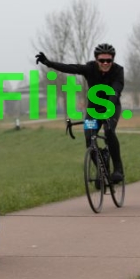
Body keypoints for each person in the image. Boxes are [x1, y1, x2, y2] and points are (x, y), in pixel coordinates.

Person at [35, 43, 126, 182]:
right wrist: (48, 63)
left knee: (109, 131)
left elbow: (115, 90)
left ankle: (118, 169)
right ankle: (102, 171)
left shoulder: (118, 70)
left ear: (113, 60)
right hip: (93, 110)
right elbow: (70, 68)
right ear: (96, 60)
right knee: (89, 138)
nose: (105, 63)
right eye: (102, 60)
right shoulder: (90, 68)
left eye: (109, 60)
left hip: (111, 107)